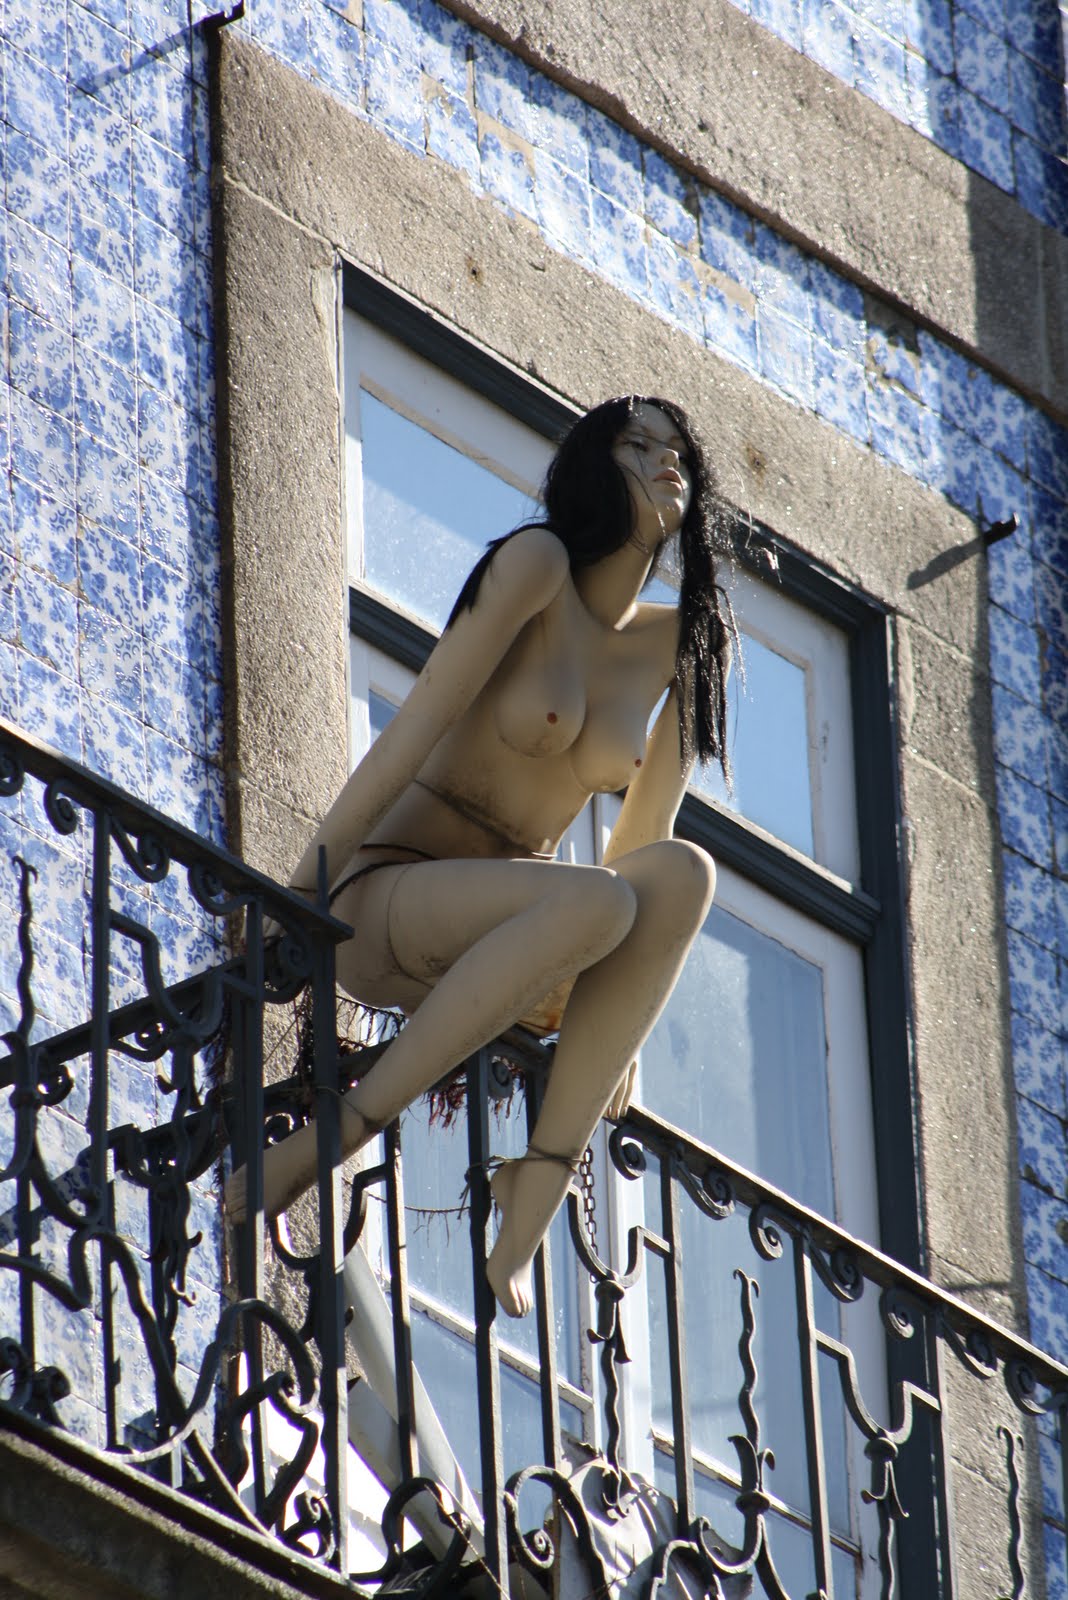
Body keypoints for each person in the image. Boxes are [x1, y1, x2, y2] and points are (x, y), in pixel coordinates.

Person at [227, 396, 736, 1318]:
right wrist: (301, 896)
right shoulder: (536, 564)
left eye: (679, 452)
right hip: (385, 902)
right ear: (593, 465)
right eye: (639, 444)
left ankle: (531, 1193)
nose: (667, 461)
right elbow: (413, 728)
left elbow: (644, 840)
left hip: (522, 941)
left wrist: (618, 1030)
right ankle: (339, 1132)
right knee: (599, 904)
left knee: (682, 875)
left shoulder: (686, 645)